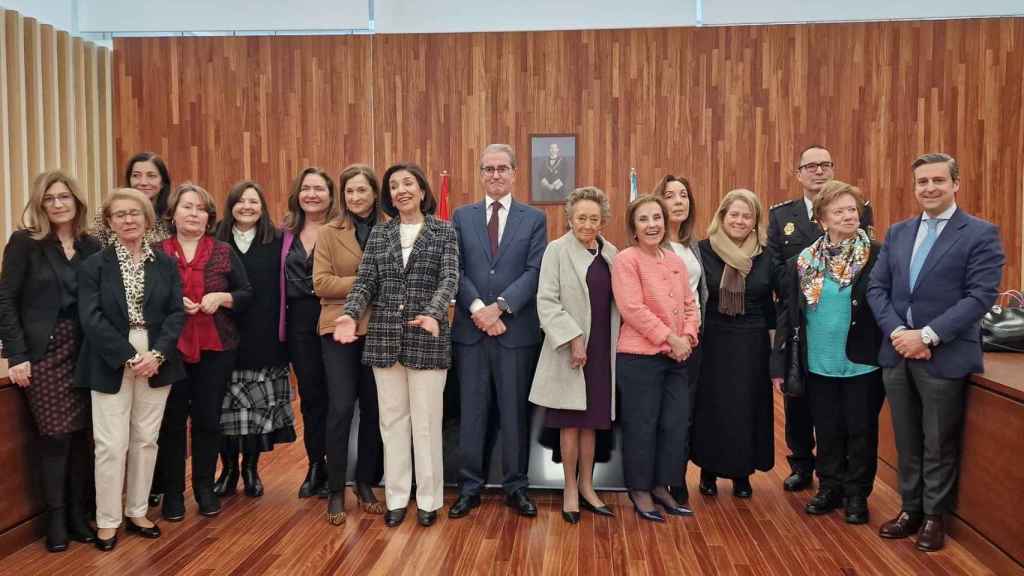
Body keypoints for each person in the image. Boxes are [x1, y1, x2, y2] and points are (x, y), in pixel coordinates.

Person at [868, 153, 1004, 552]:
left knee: (939, 441)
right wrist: (899, 333)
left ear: (955, 184)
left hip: (944, 355)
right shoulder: (898, 233)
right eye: (922, 182)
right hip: (897, 351)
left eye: (938, 180)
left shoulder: (980, 234)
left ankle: (934, 517)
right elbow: (877, 288)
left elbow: (980, 296)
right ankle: (909, 509)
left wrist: (926, 337)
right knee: (907, 438)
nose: (929, 188)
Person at [334, 163, 459, 529]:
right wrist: (349, 314)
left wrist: (434, 313)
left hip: (428, 339)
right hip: (384, 340)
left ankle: (429, 499)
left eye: (408, 183)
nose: (401, 190)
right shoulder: (380, 233)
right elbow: (365, 283)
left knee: (426, 424)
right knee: (392, 423)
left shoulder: (443, 231)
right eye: (393, 185)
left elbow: (450, 278)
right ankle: (397, 498)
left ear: (422, 190)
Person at [76, 188, 186, 551]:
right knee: (110, 444)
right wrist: (129, 356)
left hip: (156, 357)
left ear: (147, 219)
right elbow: (91, 318)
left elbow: (175, 313)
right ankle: (108, 520)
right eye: (119, 214)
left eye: (134, 213)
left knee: (146, 439)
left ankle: (137, 511)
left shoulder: (165, 263)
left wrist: (157, 354)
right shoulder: (94, 266)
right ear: (109, 222)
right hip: (109, 356)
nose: (128, 220)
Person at [771, 180, 884, 524]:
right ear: (822, 220)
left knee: (861, 431)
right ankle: (829, 488)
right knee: (827, 430)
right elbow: (789, 313)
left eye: (852, 209)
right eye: (839, 211)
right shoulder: (802, 261)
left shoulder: (878, 256)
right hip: (817, 363)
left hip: (862, 362)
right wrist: (780, 361)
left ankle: (856, 495)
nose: (849, 216)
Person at [0, 171, 102, 552]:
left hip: (87, 350)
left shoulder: (92, 245)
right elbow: (5, 299)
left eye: (64, 197)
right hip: (44, 350)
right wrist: (16, 354)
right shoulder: (25, 243)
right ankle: (55, 520)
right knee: (56, 436)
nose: (58, 204)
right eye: (49, 198)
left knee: (80, 436)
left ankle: (78, 515)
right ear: (40, 204)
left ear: (77, 201)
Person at [450, 144, 547, 520]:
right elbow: (455, 268)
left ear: (514, 173)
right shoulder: (462, 216)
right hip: (471, 332)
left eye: (502, 168)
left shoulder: (534, 218)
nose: (495, 175)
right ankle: (469, 488)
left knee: (514, 414)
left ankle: (516, 487)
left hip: (515, 332)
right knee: (472, 413)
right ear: (480, 174)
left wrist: (500, 307)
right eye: (488, 169)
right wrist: (478, 308)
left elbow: (535, 270)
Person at [157, 183, 253, 520]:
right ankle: (172, 494)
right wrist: (171, 302)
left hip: (216, 347)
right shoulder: (156, 252)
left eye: (201, 209)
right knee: (171, 423)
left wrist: (223, 298)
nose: (194, 214)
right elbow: (141, 299)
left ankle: (204, 488)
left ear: (209, 218)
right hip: (169, 350)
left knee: (208, 419)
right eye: (187, 207)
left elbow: (245, 293)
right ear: (173, 214)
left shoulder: (223, 251)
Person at [529, 187, 619, 524]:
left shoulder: (611, 253)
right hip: (569, 350)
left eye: (594, 218)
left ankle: (587, 486)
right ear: (570, 218)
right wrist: (573, 338)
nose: (587, 224)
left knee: (592, 423)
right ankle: (569, 488)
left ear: (603, 221)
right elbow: (546, 301)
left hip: (602, 350)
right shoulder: (556, 251)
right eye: (581, 217)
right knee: (569, 423)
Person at [611, 195, 699, 522]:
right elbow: (632, 308)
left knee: (675, 424)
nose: (652, 225)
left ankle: (663, 485)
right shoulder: (627, 259)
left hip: (677, 357)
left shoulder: (675, 260)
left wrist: (688, 337)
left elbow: (690, 305)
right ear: (633, 227)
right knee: (642, 426)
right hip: (639, 358)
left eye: (657, 218)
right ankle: (640, 489)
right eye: (644, 219)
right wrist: (670, 338)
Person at [213, 181, 296, 499]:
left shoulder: (278, 240)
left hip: (264, 336)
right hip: (222, 335)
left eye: (253, 201)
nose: (246, 207)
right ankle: (228, 469)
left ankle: (250, 468)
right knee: (224, 410)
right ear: (230, 205)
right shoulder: (215, 239)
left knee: (255, 412)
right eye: (240, 201)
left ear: (262, 207)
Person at [692, 189, 777, 499]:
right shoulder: (702, 250)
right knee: (713, 407)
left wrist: (775, 353)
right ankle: (709, 470)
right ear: (722, 216)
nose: (740, 221)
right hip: (714, 339)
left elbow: (770, 305)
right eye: (735, 214)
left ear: (756, 221)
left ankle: (743, 473)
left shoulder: (766, 254)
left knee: (746, 407)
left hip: (753, 342)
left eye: (747, 216)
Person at [313, 164, 386, 525]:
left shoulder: (390, 229)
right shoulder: (329, 232)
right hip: (338, 328)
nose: (355, 197)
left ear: (374, 192)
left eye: (362, 190)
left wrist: (358, 282)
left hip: (380, 329)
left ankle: (366, 483)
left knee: (374, 409)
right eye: (349, 191)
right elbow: (321, 284)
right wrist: (367, 280)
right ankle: (335, 490)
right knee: (341, 407)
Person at [283, 167, 340, 499]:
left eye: (319, 188)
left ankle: (338, 467)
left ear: (331, 196)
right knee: (311, 396)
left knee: (337, 397)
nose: (312, 194)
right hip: (298, 323)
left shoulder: (340, 230)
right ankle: (315, 465)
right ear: (298, 194)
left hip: (333, 316)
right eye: (306, 188)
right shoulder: (285, 234)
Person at [654, 174, 708, 506]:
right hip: (659, 342)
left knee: (683, 414)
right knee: (660, 414)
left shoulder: (694, 247)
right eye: (670, 195)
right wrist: (670, 337)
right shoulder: (651, 246)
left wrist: (690, 335)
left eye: (684, 195)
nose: (678, 201)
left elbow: (698, 295)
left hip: (692, 340)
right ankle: (655, 478)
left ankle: (677, 477)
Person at [93, 151, 173, 247]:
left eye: (151, 176)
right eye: (136, 175)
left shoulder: (171, 214)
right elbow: (96, 250)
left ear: (163, 182)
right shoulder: (108, 212)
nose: (143, 182)